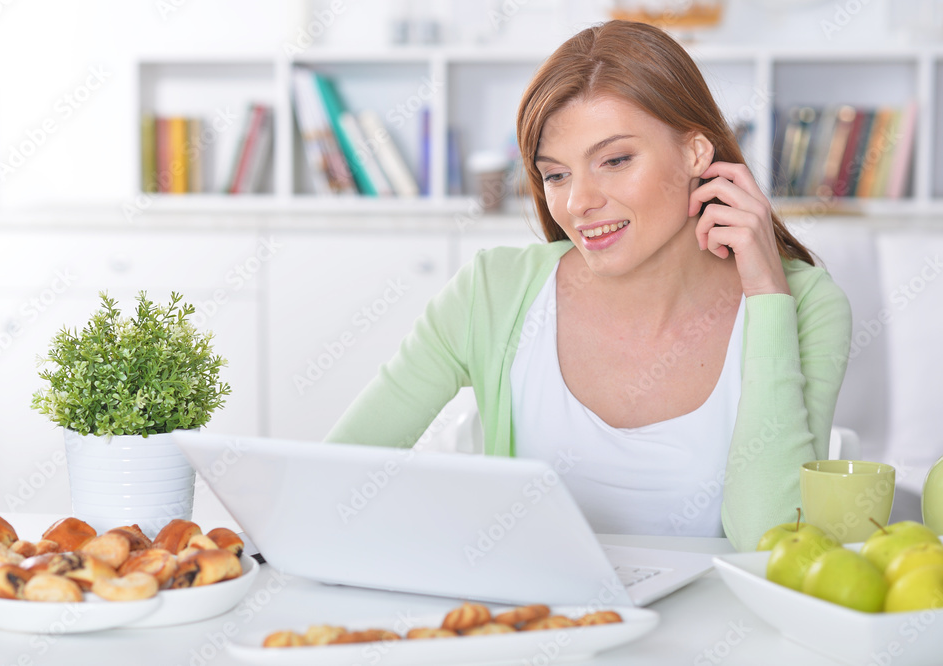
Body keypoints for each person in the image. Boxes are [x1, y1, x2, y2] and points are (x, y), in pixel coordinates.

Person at [325, 20, 852, 552]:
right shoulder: (493, 292)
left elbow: (771, 540)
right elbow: (332, 479)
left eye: (615, 160)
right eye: (556, 175)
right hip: (535, 626)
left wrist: (766, 295)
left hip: (723, 633)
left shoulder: (805, 305)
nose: (578, 203)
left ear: (696, 153)